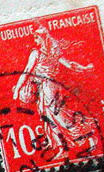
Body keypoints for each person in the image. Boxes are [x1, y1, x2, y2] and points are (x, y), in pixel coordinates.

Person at [12, 25, 97, 160]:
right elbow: (71, 65)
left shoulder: (38, 53)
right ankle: (63, 148)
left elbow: (27, 72)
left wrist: (17, 89)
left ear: (43, 38)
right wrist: (84, 68)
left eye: (37, 38)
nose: (36, 41)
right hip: (46, 88)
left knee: (62, 119)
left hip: (49, 87)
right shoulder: (52, 53)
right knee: (48, 118)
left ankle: (90, 137)